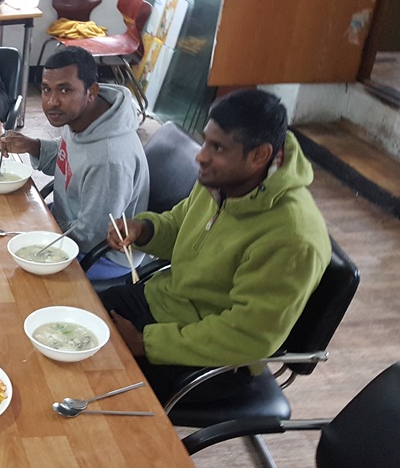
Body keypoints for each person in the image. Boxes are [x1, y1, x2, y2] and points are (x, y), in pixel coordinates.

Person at [99, 89, 331, 402]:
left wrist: (145, 343)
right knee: (75, 313)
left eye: (217, 147)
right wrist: (144, 229)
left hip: (213, 361)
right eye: (205, 140)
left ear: (259, 155)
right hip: (163, 304)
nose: (201, 156)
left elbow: (247, 336)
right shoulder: (222, 181)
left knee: (94, 375)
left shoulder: (293, 238)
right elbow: (181, 224)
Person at [0, 46, 149, 280]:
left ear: (92, 91)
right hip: (67, 225)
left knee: (10, 271)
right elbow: (67, 158)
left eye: (65, 90)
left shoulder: (109, 160)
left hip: (102, 255)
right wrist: (32, 145)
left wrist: (39, 224)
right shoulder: (84, 118)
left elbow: (93, 234)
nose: (51, 102)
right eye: (47, 89)